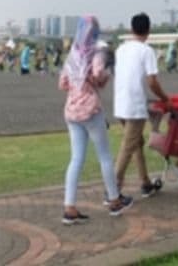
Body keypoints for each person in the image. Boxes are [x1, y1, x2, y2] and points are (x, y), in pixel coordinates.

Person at [58, 16, 133, 224]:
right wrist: (99, 80)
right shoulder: (97, 51)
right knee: (105, 156)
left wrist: (77, 84)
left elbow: (62, 82)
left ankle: (69, 207)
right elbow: (99, 72)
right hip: (91, 110)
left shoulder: (73, 53)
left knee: (76, 159)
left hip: (72, 111)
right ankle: (114, 200)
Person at [114, 12, 172, 198]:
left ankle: (145, 182)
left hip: (121, 103)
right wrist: (165, 99)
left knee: (136, 143)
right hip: (134, 106)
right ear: (148, 31)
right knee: (127, 147)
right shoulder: (147, 51)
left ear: (131, 30)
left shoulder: (121, 49)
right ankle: (113, 190)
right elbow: (152, 82)